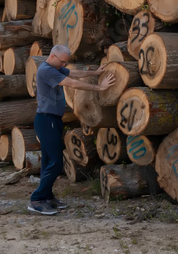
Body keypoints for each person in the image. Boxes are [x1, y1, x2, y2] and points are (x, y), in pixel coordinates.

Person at [29, 45, 115, 215]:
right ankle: (37, 199)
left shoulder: (55, 67)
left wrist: (94, 73)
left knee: (48, 161)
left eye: (65, 62)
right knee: (56, 162)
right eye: (62, 61)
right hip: (46, 120)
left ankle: (46, 196)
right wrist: (99, 87)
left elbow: (74, 73)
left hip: (52, 120)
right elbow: (72, 83)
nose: (64, 65)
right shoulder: (46, 70)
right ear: (53, 56)